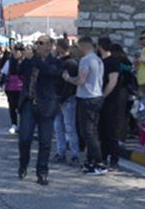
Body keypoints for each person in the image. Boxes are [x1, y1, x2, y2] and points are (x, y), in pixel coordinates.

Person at [17, 36, 62, 185]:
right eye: (37, 43)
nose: (38, 46)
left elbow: (51, 72)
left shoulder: (55, 61)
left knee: (45, 142)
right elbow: (18, 71)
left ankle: (42, 172)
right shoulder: (31, 60)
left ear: (49, 46)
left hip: (47, 106)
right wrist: (22, 58)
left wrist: (35, 60)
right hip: (29, 103)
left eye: (41, 43)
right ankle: (23, 163)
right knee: (24, 138)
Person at [62, 36, 106, 175]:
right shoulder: (98, 59)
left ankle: (99, 163)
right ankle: (91, 161)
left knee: (87, 132)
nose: (77, 49)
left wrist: (68, 79)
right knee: (92, 131)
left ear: (84, 46)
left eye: (78, 46)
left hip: (87, 97)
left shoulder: (86, 60)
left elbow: (81, 80)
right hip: (97, 96)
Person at [97, 37, 128, 170]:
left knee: (111, 131)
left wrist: (103, 96)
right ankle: (103, 157)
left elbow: (112, 81)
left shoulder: (113, 62)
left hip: (111, 101)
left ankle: (114, 159)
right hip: (102, 100)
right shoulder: (100, 62)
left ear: (100, 47)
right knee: (102, 131)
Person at [53, 38, 80, 165]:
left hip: (67, 99)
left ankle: (75, 154)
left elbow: (70, 85)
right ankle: (61, 152)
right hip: (58, 99)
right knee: (58, 127)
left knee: (69, 127)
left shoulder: (71, 63)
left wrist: (62, 98)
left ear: (59, 47)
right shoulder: (59, 62)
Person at [0, 44, 25, 134]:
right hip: (11, 87)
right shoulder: (10, 61)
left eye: (16, 50)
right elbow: (4, 72)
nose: (14, 52)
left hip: (23, 87)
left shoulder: (26, 61)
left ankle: (24, 124)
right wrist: (2, 83)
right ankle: (14, 124)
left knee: (22, 107)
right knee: (12, 106)